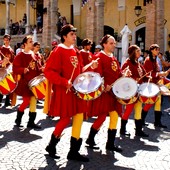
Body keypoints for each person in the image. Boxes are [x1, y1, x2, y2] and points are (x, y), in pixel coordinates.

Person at [44, 24, 98, 161]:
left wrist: (90, 66)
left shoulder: (76, 51)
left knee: (79, 117)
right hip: (65, 91)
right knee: (65, 119)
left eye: (75, 34)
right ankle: (51, 145)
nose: (75, 36)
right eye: (72, 34)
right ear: (64, 36)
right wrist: (63, 81)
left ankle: (73, 151)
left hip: (77, 91)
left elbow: (79, 71)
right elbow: (48, 71)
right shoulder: (58, 51)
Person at [86, 34, 130, 152]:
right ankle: (90, 139)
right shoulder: (99, 56)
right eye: (111, 43)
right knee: (101, 117)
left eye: (114, 43)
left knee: (115, 116)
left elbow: (118, 73)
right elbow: (96, 75)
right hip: (104, 92)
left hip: (114, 92)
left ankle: (110, 144)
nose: (114, 45)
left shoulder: (113, 58)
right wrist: (105, 86)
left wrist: (124, 75)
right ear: (104, 44)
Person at [13, 35, 42, 129]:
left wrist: (42, 70)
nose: (32, 43)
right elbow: (15, 68)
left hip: (33, 83)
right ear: (25, 44)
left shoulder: (34, 55)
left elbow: (37, 68)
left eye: (32, 41)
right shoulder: (20, 55)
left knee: (33, 102)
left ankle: (31, 122)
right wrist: (22, 70)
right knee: (26, 101)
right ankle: (18, 118)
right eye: (30, 41)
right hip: (25, 83)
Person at [120, 45, 149, 137]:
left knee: (138, 109)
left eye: (139, 51)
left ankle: (138, 130)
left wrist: (149, 77)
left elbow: (144, 74)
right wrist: (133, 79)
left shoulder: (138, 64)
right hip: (130, 91)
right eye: (137, 51)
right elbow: (123, 77)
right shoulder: (127, 63)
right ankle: (122, 129)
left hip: (138, 91)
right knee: (128, 110)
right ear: (132, 53)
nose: (139, 52)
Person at [141, 44, 170, 128]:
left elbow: (156, 72)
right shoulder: (148, 60)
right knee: (150, 103)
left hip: (156, 82)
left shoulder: (155, 59)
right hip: (151, 84)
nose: (158, 51)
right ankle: (142, 120)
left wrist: (162, 74)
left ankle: (157, 122)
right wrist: (161, 74)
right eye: (156, 49)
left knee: (158, 102)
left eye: (158, 49)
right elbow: (149, 73)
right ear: (151, 50)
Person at [0, 34, 15, 107]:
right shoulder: (1, 49)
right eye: (5, 40)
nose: (6, 41)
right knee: (1, 84)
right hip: (1, 68)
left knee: (8, 84)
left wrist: (10, 67)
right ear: (3, 40)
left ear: (10, 41)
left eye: (8, 40)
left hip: (8, 69)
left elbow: (12, 60)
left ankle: (7, 101)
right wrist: (2, 64)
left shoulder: (11, 50)